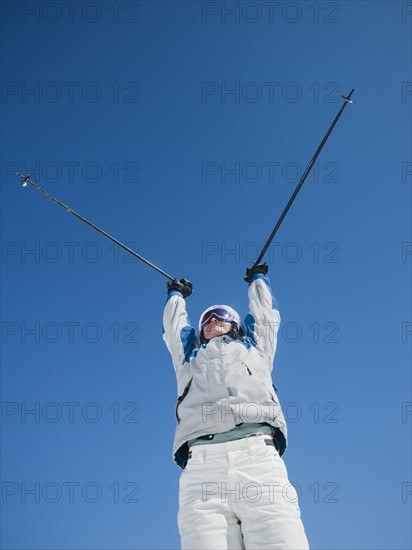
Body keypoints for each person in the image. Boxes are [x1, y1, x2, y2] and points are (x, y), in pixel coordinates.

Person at [163, 263, 309, 550]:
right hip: (202, 468)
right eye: (207, 319)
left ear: (237, 326)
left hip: (257, 459)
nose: (214, 320)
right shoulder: (188, 361)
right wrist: (176, 296)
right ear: (200, 331)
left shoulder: (255, 349)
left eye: (223, 316)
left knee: (281, 541)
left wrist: (258, 280)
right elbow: (173, 329)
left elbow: (267, 316)